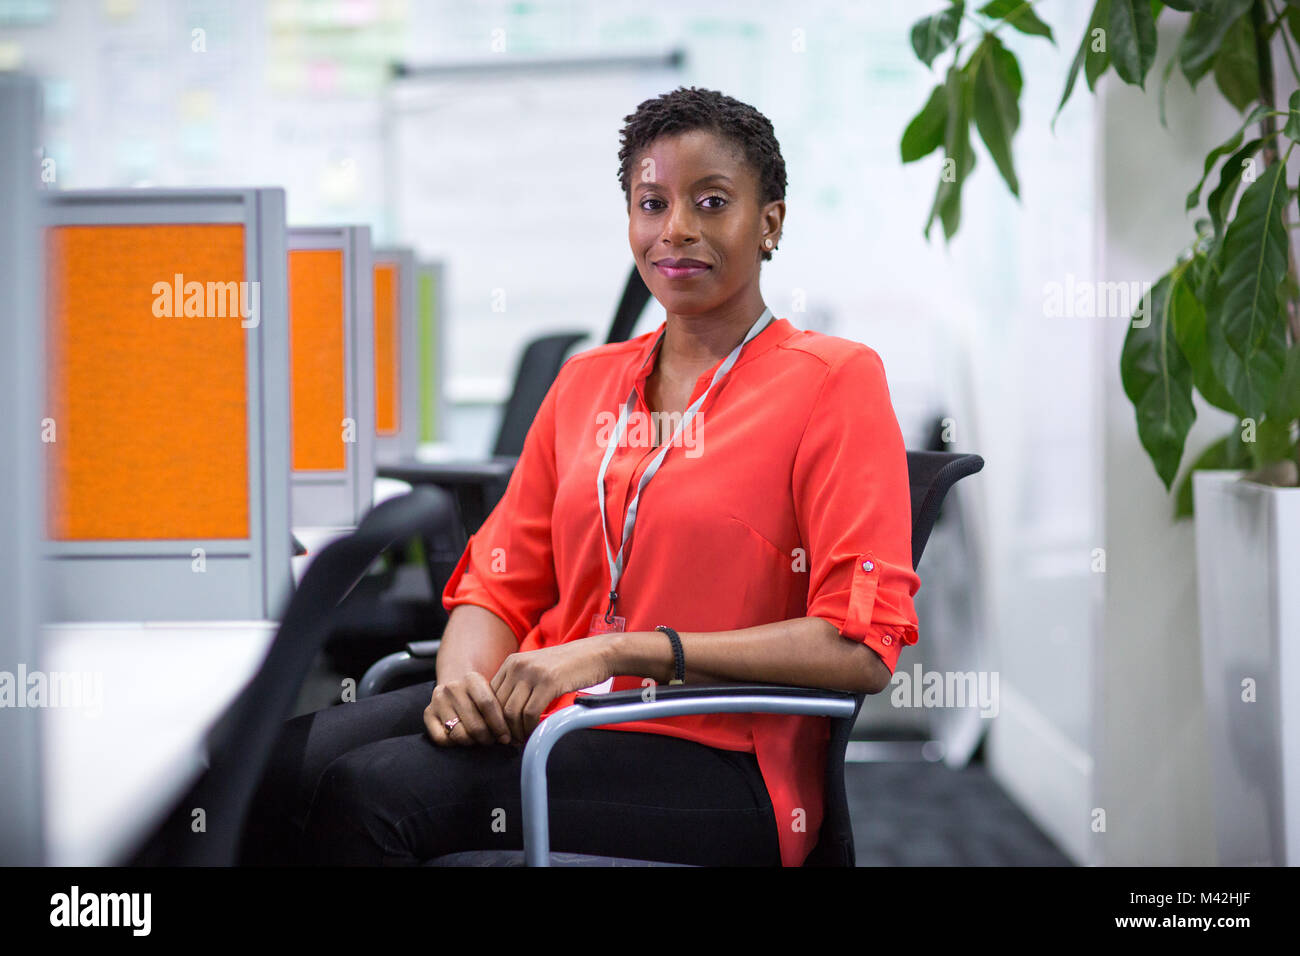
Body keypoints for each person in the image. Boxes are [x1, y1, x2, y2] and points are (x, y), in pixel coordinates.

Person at [241, 85, 920, 867]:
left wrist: (621, 652)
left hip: (717, 757)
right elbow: (499, 582)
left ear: (769, 222)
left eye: (711, 202)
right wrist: (463, 682)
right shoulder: (586, 384)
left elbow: (858, 645)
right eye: (652, 202)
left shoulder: (832, 380)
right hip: (549, 714)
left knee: (370, 797)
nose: (677, 231)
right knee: (268, 763)